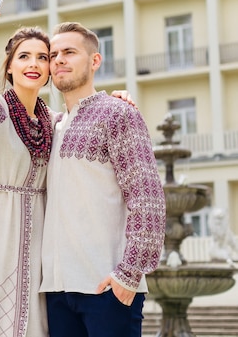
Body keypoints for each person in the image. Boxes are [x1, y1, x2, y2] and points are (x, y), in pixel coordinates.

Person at [0, 3, 135, 337]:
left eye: (43, 57)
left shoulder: (55, 124)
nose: (35, 64)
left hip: (42, 247)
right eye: (24, 56)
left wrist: (118, 100)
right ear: (10, 67)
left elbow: (86, 125)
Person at [40, 22, 166, 337]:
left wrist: (128, 275)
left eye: (69, 52)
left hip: (106, 288)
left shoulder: (117, 114)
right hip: (56, 290)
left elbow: (147, 198)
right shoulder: (51, 128)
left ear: (95, 61)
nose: (58, 60)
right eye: (53, 54)